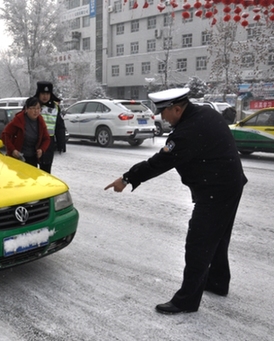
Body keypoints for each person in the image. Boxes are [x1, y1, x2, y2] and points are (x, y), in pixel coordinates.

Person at [104, 88, 247, 314]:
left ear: (177, 109)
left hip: (216, 190)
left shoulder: (187, 133)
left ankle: (186, 301)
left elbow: (159, 163)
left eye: (163, 112)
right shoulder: (205, 113)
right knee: (218, 237)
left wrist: (127, 178)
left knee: (198, 243)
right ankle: (218, 282)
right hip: (231, 184)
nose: (161, 118)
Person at [1, 96, 51, 168]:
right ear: (26, 109)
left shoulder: (40, 121)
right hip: (18, 158)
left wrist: (41, 149)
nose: (36, 111)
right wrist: (12, 150)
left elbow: (46, 138)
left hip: (33, 158)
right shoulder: (19, 120)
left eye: (38, 108)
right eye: (33, 108)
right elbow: (5, 134)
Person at [34, 81, 67, 174]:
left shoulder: (55, 107)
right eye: (43, 93)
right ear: (38, 93)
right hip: (33, 142)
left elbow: (60, 126)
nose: (45, 96)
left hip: (48, 143)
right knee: (32, 172)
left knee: (46, 172)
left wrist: (61, 143)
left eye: (48, 94)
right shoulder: (32, 105)